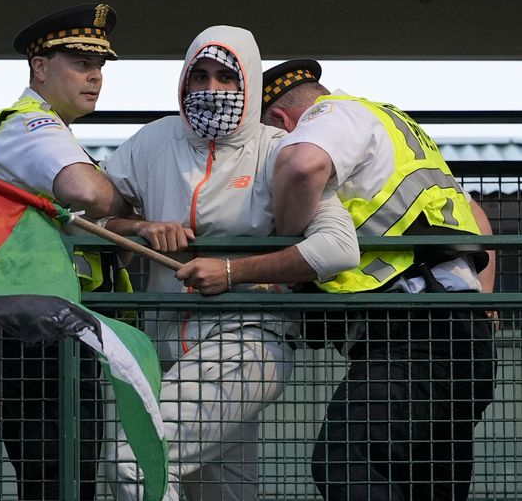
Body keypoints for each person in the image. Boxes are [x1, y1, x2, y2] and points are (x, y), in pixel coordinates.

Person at [102, 25, 360, 501]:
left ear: (251, 83)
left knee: (135, 461)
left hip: (248, 343)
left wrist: (230, 272)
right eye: (198, 76)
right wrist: (140, 227)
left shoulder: (279, 149)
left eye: (227, 77)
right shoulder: (152, 141)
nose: (211, 89)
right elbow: (90, 220)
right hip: (161, 352)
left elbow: (338, 248)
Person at [262, 59, 496, 500]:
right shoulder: (393, 126)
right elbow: (478, 219)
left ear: (281, 121)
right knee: (428, 485)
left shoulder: (329, 115)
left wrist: (291, 240)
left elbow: (301, 166)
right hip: (465, 336)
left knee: (344, 460)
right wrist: (485, 303)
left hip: (415, 331)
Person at [0, 3, 132, 500]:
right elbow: (87, 191)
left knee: (67, 477)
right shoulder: (29, 125)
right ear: (39, 67)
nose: (95, 76)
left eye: (99, 66)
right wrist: (129, 204)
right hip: (33, 329)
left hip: (52, 323)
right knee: (57, 478)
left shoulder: (53, 129)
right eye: (81, 63)